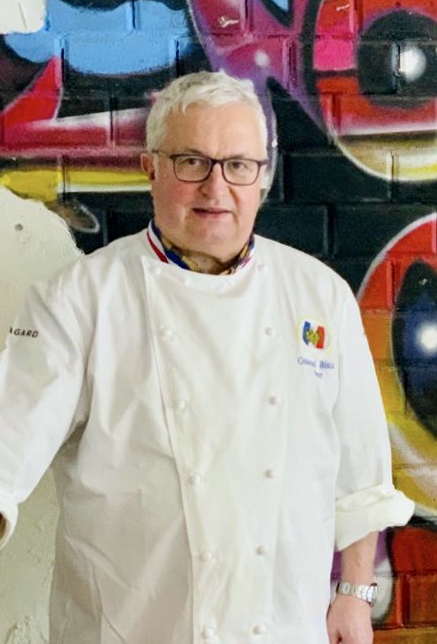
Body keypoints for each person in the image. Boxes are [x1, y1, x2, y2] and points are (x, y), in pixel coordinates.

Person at [0, 71, 414, 643]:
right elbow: (8, 443)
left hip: (284, 628)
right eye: (191, 162)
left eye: (238, 165)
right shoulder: (80, 301)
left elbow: (362, 473)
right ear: (151, 168)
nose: (216, 189)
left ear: (262, 176)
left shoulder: (319, 296)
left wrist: (354, 596)